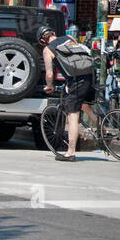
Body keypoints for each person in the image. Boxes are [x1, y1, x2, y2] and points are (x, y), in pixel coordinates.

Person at [38, 26, 98, 162]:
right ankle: (102, 128)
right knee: (82, 103)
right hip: (91, 74)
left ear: (43, 40)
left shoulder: (47, 50)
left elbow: (49, 74)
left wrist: (49, 85)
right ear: (54, 33)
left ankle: (70, 152)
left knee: (72, 115)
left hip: (77, 80)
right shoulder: (69, 38)